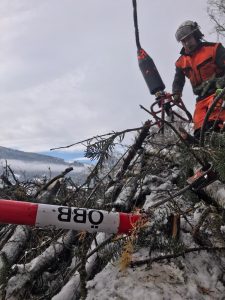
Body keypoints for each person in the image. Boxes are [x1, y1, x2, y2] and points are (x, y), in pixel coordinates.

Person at [172, 20, 225, 138]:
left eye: (188, 39)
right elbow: (178, 80)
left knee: (214, 122)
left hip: (219, 93)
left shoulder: (214, 49)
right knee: (199, 128)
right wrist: (176, 93)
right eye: (183, 41)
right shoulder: (181, 62)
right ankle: (197, 144)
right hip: (201, 99)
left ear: (196, 35)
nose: (186, 43)